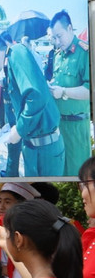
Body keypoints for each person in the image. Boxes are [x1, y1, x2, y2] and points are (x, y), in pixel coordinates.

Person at [0, 34, 64, 177]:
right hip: (33, 148)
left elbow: (36, 96)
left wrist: (19, 130)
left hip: (45, 150)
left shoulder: (16, 52)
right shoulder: (9, 64)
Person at [47, 10, 90, 177]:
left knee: (76, 172)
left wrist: (63, 92)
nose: (57, 42)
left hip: (76, 127)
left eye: (59, 36)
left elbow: (89, 90)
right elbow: (59, 81)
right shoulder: (58, 55)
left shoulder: (85, 52)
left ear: (70, 28)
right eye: (54, 38)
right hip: (60, 124)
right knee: (61, 170)